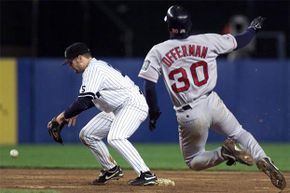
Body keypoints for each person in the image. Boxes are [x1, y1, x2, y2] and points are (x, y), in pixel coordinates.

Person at [138, 5, 286, 190]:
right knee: (239, 133)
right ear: (189, 25)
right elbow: (240, 41)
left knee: (193, 160)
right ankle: (263, 158)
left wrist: (153, 112)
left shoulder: (158, 51)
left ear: (168, 26)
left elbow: (149, 85)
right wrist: (253, 29)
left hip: (190, 112)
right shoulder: (208, 40)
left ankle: (224, 153)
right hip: (211, 101)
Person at [47, 42, 157, 186]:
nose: (70, 66)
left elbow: (83, 101)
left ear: (80, 58)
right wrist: (70, 113)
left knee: (116, 137)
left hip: (132, 105)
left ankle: (146, 174)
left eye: (70, 62)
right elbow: (90, 99)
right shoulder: (94, 68)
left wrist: (61, 117)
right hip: (118, 107)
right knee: (87, 134)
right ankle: (111, 169)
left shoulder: (94, 70)